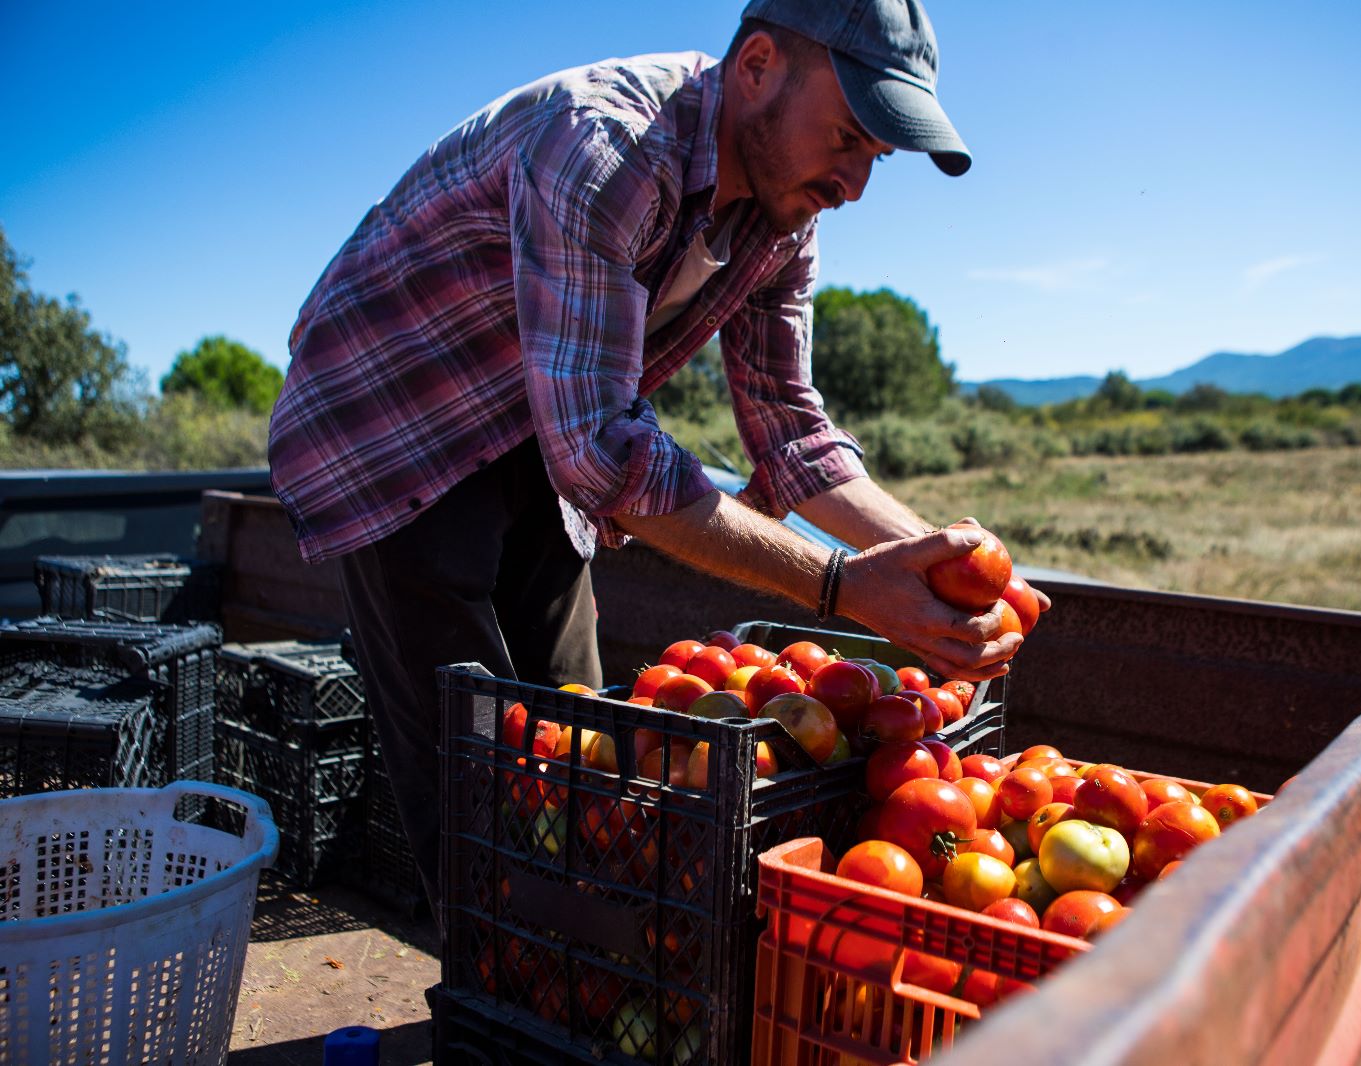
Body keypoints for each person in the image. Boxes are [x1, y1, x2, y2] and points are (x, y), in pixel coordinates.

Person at [267, 0, 1042, 911]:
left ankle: (581, 972)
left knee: (588, 750)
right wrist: (842, 587)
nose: (856, 183)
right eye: (847, 135)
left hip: (535, 428)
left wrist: (945, 560)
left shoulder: (783, 213)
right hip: (390, 426)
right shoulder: (605, 145)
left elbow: (788, 427)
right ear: (757, 65)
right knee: (476, 770)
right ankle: (507, 1000)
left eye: (876, 155)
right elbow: (599, 451)